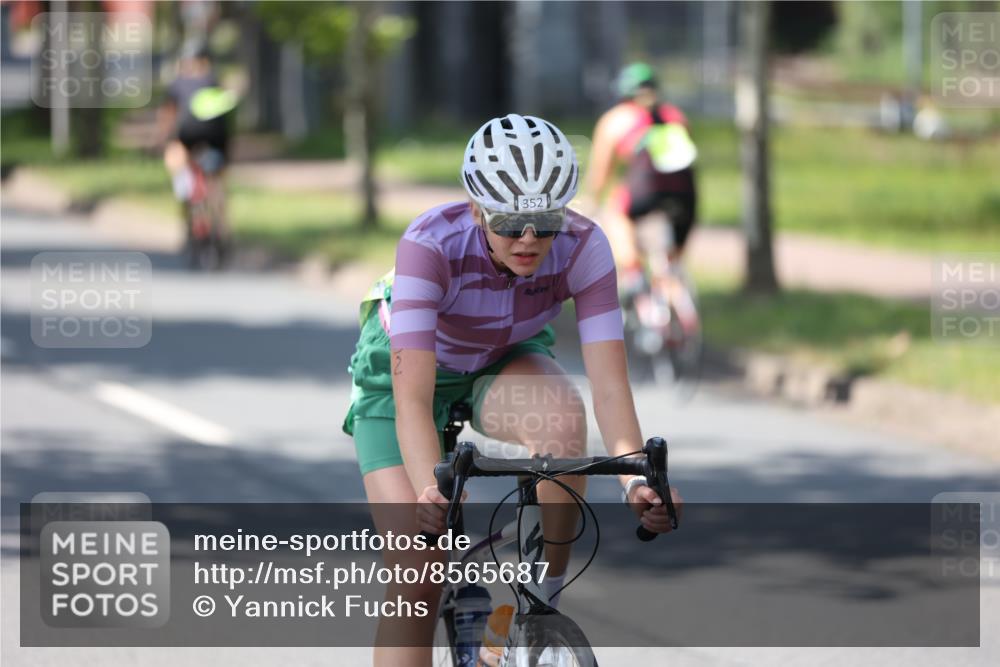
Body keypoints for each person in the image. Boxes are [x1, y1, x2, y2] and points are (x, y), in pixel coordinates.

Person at [342, 113, 683, 666]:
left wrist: (634, 481)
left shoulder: (584, 246)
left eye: (545, 222)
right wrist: (433, 492)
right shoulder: (429, 244)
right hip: (403, 377)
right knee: (419, 568)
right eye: (509, 221)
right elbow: (413, 400)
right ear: (477, 209)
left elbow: (609, 387)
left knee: (563, 422)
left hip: (502, 359)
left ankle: (537, 610)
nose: (528, 239)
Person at [584, 62, 698, 298]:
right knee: (670, 261)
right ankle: (674, 284)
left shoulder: (616, 119)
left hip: (645, 189)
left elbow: (601, 172)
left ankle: (633, 271)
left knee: (615, 212)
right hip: (686, 192)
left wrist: (592, 199)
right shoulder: (676, 116)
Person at [157, 41, 235, 240]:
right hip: (216, 138)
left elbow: (169, 114)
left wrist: (162, 138)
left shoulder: (178, 83)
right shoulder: (213, 81)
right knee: (217, 179)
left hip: (187, 137)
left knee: (181, 173)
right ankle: (222, 226)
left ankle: (187, 217)